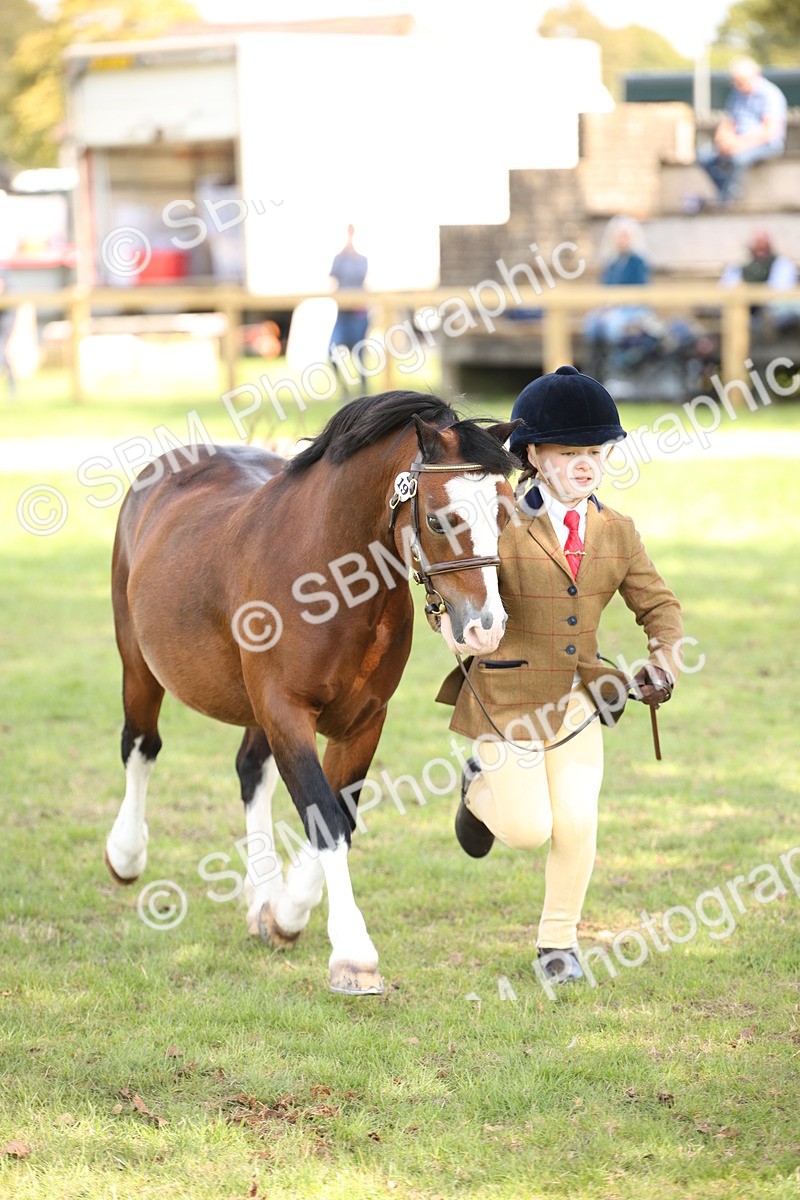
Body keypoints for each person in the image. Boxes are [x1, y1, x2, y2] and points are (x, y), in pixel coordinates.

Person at [437, 366, 683, 985]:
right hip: (506, 694)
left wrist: (664, 658)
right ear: (533, 457)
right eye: (570, 453)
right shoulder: (497, 523)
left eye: (596, 453)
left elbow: (660, 606)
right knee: (528, 829)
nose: (586, 466)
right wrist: (457, 628)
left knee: (577, 821)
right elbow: (453, 597)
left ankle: (558, 944)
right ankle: (476, 792)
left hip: (580, 698)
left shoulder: (616, 531)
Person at [697, 57, 787, 206]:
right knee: (704, 157)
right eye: (735, 81)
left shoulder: (771, 95)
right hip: (737, 143)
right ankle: (727, 193)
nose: (738, 85)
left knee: (737, 158)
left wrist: (740, 144)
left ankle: (727, 200)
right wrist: (723, 141)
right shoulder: (736, 94)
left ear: (755, 76)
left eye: (741, 81)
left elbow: (770, 131)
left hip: (764, 144)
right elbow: (728, 122)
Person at [582, 216, 656, 380]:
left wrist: (618, 305)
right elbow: (605, 289)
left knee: (613, 324)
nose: (621, 240)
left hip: (633, 309)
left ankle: (616, 369)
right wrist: (607, 305)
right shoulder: (612, 262)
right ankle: (595, 369)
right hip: (611, 308)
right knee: (592, 322)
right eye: (618, 236)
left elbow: (641, 292)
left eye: (625, 236)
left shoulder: (638, 261)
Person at [720, 228, 800, 335]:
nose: (760, 248)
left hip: (775, 314)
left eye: (763, 244)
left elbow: (780, 291)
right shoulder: (740, 267)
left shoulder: (782, 264)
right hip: (746, 313)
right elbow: (725, 287)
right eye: (757, 244)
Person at [329, 224, 369, 393]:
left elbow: (361, 277)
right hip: (342, 313)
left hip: (358, 313)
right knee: (332, 351)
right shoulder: (339, 259)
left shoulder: (362, 259)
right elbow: (332, 278)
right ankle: (344, 389)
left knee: (359, 353)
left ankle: (363, 389)